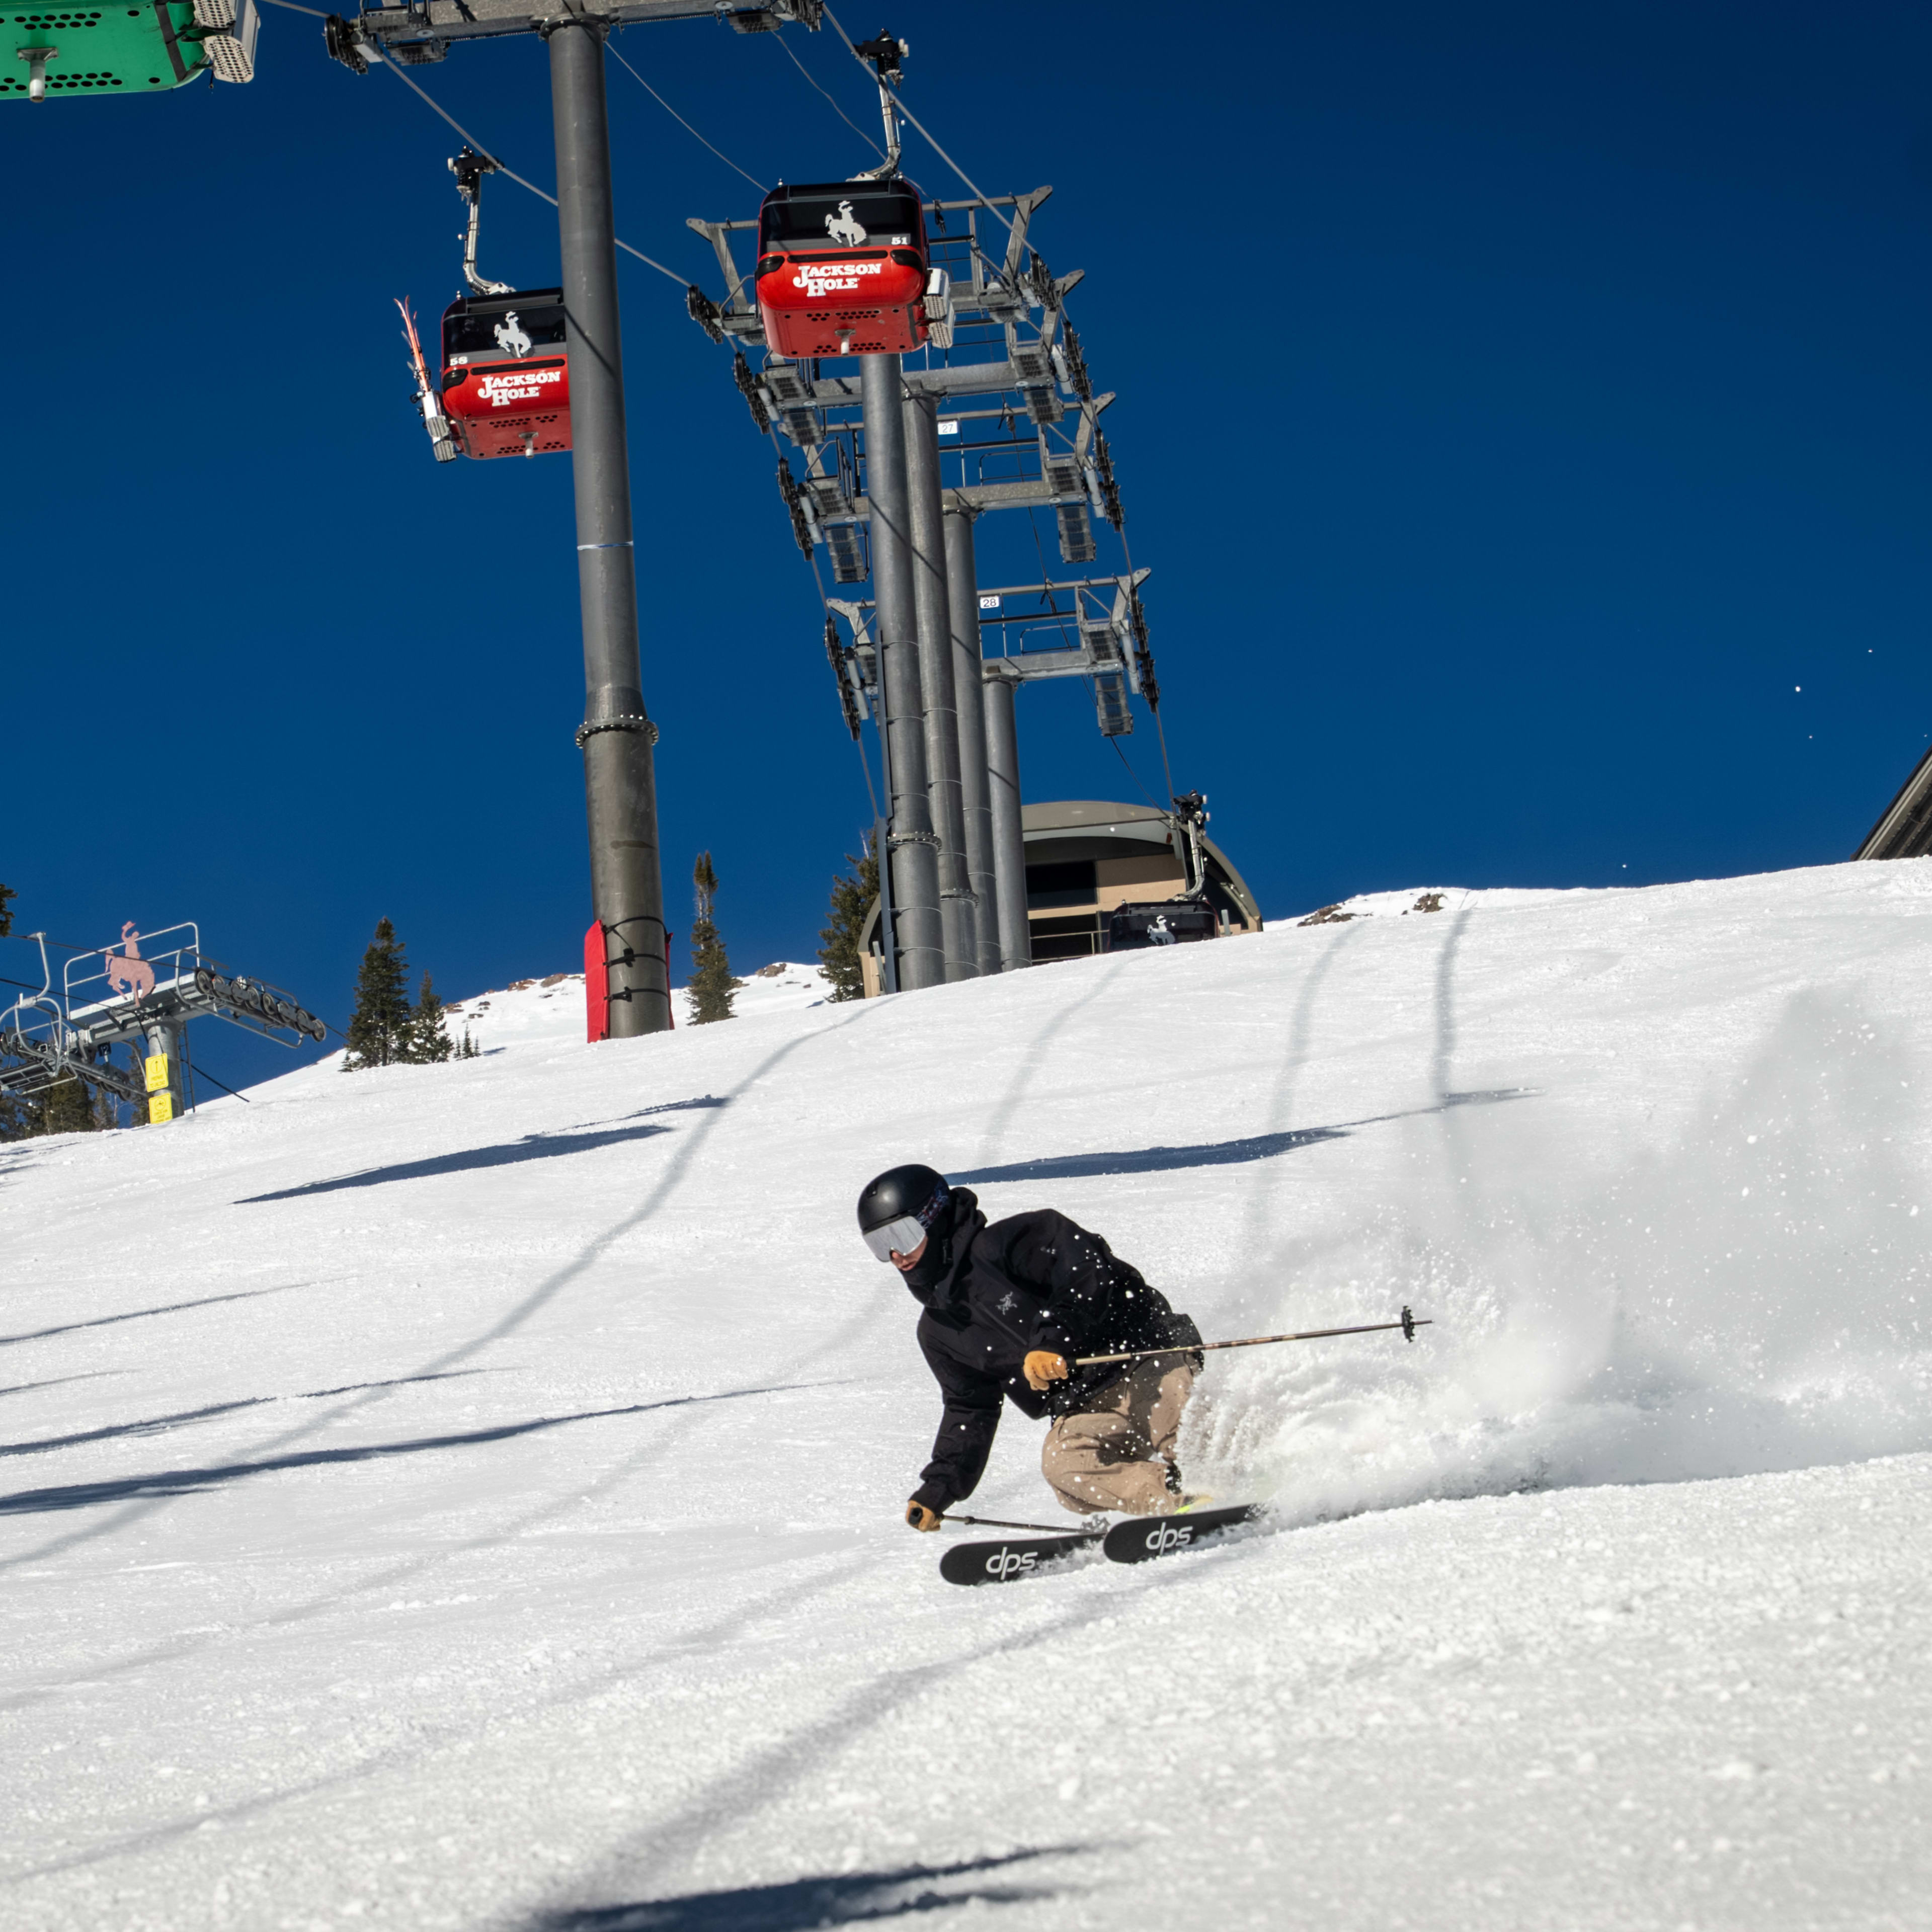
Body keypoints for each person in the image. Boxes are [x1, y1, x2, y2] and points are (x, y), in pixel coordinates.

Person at [857, 1163, 1206, 1533]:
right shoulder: (939, 1332)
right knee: (1065, 1466)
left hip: (1142, 1359)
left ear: (935, 1218)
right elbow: (970, 1408)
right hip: (1084, 1405)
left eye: (903, 1235)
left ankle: (1222, 1479)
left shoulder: (1012, 1243)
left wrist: (1054, 1340)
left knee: (1183, 1429)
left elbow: (1087, 1272)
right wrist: (939, 1489)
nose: (897, 1254)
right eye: (882, 1244)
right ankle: (1180, 1500)